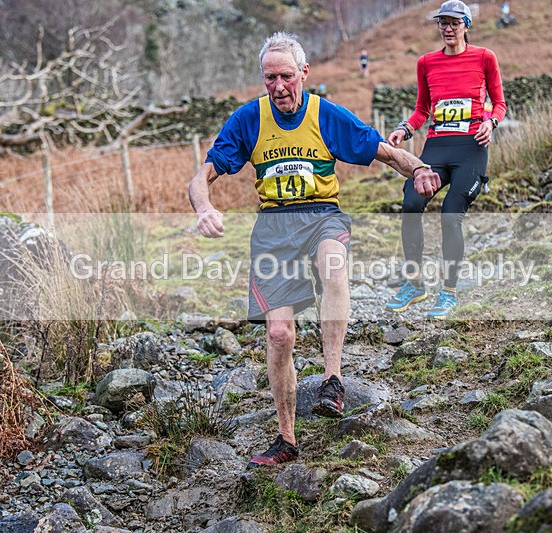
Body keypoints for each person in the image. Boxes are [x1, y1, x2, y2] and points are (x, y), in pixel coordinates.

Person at [189, 32, 441, 468]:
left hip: (322, 214)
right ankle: (286, 439)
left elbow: (384, 151)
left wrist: (418, 168)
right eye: (270, 78)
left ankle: (332, 380)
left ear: (304, 73)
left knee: (332, 265)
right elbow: (201, 176)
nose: (279, 86)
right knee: (279, 335)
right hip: (274, 228)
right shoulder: (249, 119)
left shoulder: (325, 115)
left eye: (287, 76)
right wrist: (204, 208)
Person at [385, 0, 506, 319]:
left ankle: (449, 291)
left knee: (451, 214)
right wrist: (404, 129)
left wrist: (490, 123)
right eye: (443, 23)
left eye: (454, 23)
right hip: (437, 147)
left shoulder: (485, 57)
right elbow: (422, 110)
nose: (448, 28)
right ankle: (414, 284)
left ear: (467, 25)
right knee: (411, 203)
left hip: (471, 148)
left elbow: (499, 103)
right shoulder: (426, 62)